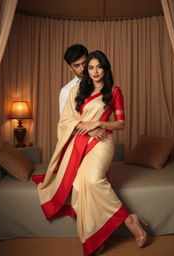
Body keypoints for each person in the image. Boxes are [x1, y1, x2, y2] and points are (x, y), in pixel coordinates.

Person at [33, 50, 147, 256]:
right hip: (80, 143)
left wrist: (99, 123)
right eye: (91, 67)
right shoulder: (78, 91)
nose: (95, 71)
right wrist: (87, 126)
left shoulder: (114, 91)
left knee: (93, 180)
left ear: (105, 68)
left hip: (103, 141)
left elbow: (121, 124)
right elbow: (66, 121)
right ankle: (98, 235)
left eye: (99, 67)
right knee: (79, 184)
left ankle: (129, 221)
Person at [59, 44, 88, 115]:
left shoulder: (101, 83)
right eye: (77, 65)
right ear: (70, 67)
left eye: (84, 63)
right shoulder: (66, 91)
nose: (82, 68)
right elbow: (65, 123)